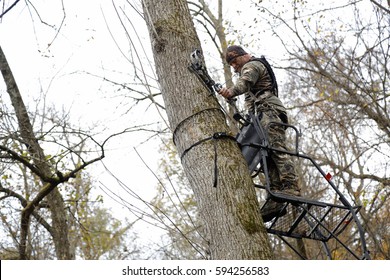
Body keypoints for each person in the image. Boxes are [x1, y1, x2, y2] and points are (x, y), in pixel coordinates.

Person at [218, 45, 300, 222]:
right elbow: (248, 96)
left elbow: (245, 82)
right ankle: (276, 198)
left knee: (277, 150)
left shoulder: (252, 66)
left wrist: (231, 91)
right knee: (267, 156)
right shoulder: (247, 68)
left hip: (269, 113)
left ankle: (291, 186)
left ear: (242, 56)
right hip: (261, 115)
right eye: (231, 64)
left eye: (234, 62)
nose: (234, 67)